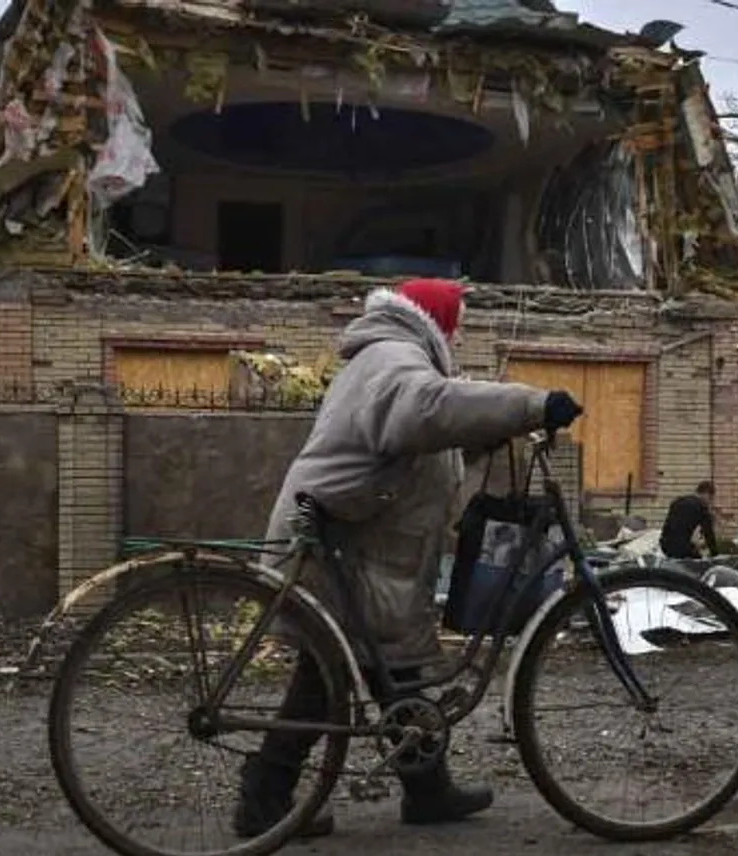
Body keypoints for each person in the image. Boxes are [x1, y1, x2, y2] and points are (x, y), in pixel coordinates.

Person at [235, 278, 583, 839]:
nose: (459, 332)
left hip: (353, 540)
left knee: (388, 669)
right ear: (434, 320)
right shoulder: (395, 358)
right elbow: (424, 411)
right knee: (326, 678)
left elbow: (414, 446)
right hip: (337, 544)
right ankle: (263, 800)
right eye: (457, 322)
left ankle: (427, 789)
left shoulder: (389, 358)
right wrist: (531, 405)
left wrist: (483, 436)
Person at [658, 481, 719, 560]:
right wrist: (715, 554)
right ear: (707, 494)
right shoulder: (701, 507)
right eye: (711, 499)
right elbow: (708, 533)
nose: (710, 502)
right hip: (682, 548)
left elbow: (669, 526)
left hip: (665, 545)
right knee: (698, 563)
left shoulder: (677, 502)